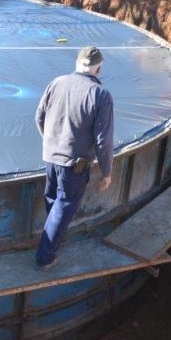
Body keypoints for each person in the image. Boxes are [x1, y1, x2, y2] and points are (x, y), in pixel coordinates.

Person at [34, 46, 114, 268]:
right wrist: (107, 172)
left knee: (53, 200)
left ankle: (56, 239)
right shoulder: (101, 95)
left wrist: (51, 143)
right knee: (64, 205)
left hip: (51, 157)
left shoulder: (56, 82)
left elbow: (39, 117)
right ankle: (45, 257)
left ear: (77, 64)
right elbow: (103, 140)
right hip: (74, 164)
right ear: (98, 68)